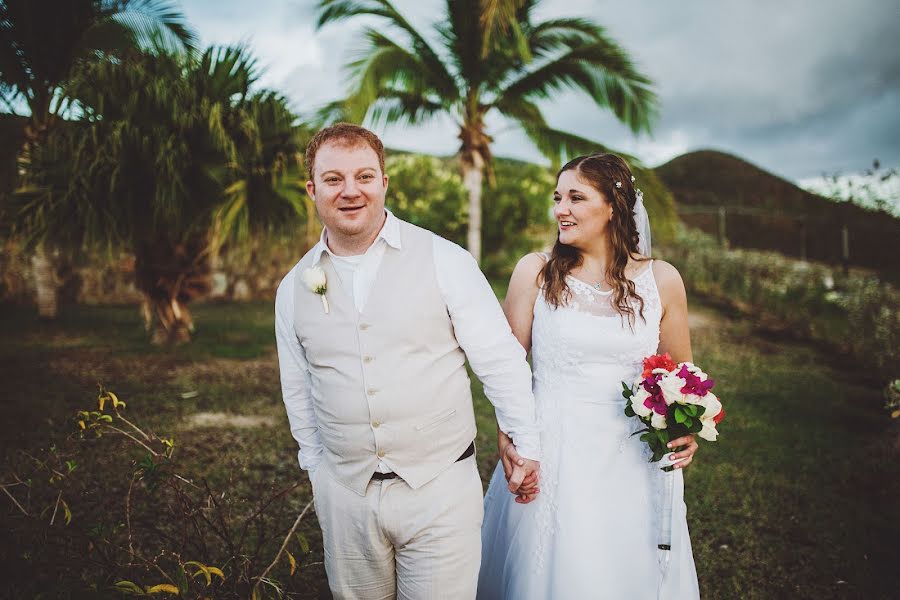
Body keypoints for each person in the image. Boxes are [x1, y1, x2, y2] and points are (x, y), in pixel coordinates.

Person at [274, 123, 541, 600]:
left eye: (365, 176)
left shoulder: (445, 259)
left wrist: (526, 442)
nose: (351, 191)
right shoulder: (294, 286)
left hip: (439, 487)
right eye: (334, 179)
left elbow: (499, 361)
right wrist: (317, 470)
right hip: (345, 493)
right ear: (312, 189)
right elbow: (297, 385)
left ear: (384, 182)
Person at [477, 153, 701, 599]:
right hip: (554, 451)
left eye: (576, 197)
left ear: (614, 206)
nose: (561, 208)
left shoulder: (662, 279)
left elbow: (682, 375)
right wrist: (510, 438)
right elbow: (504, 371)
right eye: (558, 197)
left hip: (633, 460)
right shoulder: (536, 273)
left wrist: (686, 427)